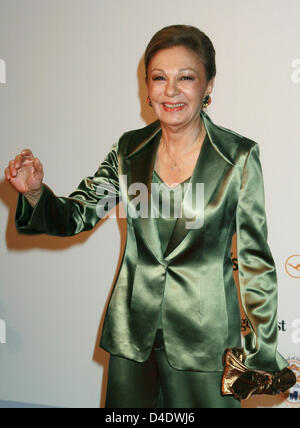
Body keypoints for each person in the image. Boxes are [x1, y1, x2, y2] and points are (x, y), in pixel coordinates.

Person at [5, 25, 289, 409]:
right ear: (148, 88)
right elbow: (78, 214)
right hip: (132, 339)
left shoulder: (237, 157)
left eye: (186, 78)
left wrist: (260, 351)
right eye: (159, 78)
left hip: (205, 347)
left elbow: (255, 262)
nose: (171, 91)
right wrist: (36, 192)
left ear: (208, 86)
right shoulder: (129, 150)